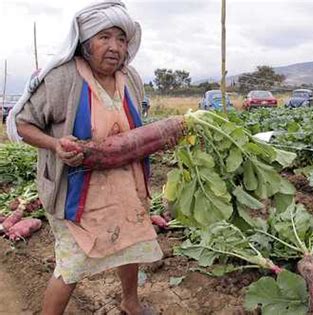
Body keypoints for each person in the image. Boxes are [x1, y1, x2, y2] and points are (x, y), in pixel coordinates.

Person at [6, 1, 185, 314]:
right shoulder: (62, 79)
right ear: (85, 43)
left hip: (126, 185)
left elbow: (136, 128)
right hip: (75, 191)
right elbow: (22, 124)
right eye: (104, 37)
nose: (115, 47)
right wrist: (54, 143)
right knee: (71, 267)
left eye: (121, 38)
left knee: (131, 247)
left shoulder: (131, 78)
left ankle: (131, 304)